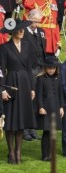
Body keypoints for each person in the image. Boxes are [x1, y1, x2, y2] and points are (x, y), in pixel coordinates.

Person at [0, 19, 36, 164]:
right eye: (19, 29)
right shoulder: (4, 48)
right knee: (10, 120)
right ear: (12, 31)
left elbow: (29, 68)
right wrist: (2, 89)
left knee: (21, 119)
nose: (22, 31)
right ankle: (11, 153)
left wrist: (32, 87)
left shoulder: (27, 46)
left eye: (23, 29)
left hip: (25, 83)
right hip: (11, 82)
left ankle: (18, 152)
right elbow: (1, 70)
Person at [23, 8, 46, 141]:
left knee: (36, 99)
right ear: (29, 17)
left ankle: (32, 127)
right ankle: (25, 128)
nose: (36, 24)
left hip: (39, 69)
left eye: (38, 22)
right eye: (34, 21)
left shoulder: (41, 32)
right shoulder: (23, 32)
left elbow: (43, 50)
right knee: (27, 98)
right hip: (28, 69)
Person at [36, 56, 64, 162]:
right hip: (46, 108)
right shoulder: (40, 79)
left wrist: (61, 107)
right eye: (49, 68)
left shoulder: (58, 78)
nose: (51, 70)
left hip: (55, 107)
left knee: (53, 132)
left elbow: (60, 93)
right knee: (46, 132)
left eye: (53, 68)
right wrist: (41, 107)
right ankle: (45, 155)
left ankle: (51, 153)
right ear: (45, 68)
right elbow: (38, 95)